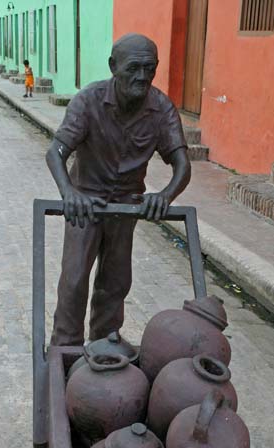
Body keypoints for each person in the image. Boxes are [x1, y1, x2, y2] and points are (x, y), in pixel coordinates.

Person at [46, 33, 191, 347]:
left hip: (125, 205)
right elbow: (56, 151)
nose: (142, 76)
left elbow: (182, 165)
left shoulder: (161, 108)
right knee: (74, 279)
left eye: (150, 68)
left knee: (116, 281)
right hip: (85, 202)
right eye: (133, 68)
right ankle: (66, 346)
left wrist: (166, 195)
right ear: (113, 66)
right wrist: (69, 192)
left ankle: (104, 344)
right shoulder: (88, 101)